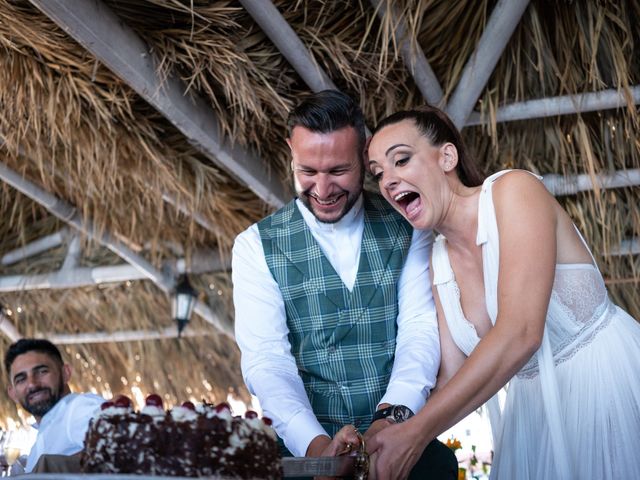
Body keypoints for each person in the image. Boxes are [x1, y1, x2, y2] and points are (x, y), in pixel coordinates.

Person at [365, 105, 640, 479]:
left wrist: (415, 435)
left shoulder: (513, 192)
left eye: (401, 160)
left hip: (605, 386)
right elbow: (450, 377)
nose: (388, 181)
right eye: (379, 173)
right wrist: (388, 427)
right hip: (534, 416)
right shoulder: (438, 259)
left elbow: (521, 331)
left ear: (447, 156)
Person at [232, 90, 457, 478]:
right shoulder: (253, 246)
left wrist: (389, 420)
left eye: (338, 171)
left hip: (402, 443)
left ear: (364, 155)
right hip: (301, 455)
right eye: (307, 171)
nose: (322, 190)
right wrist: (316, 447)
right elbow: (267, 359)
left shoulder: (410, 224)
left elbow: (420, 331)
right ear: (291, 151)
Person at [4, 338, 105, 472]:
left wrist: (51, 468)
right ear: (13, 394)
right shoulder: (42, 436)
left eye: (42, 371)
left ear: (65, 373)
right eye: (21, 379)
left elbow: (121, 447)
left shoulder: (78, 408)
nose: (32, 384)